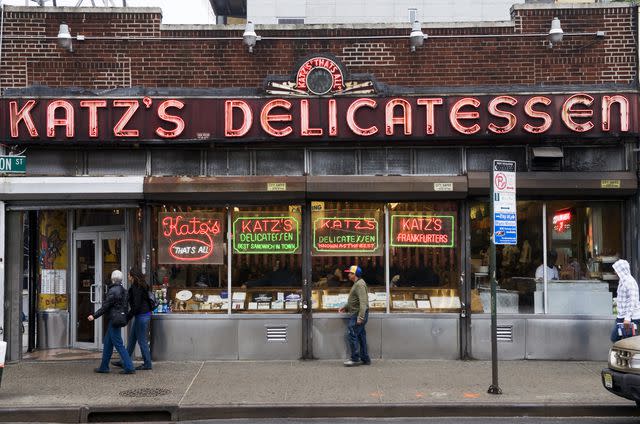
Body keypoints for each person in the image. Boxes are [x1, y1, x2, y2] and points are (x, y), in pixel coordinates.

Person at [88, 270, 135, 374]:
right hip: (119, 319)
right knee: (108, 343)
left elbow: (105, 306)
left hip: (114, 320)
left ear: (113, 279)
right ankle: (104, 367)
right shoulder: (124, 290)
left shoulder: (113, 290)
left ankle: (129, 366)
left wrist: (94, 316)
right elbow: (125, 307)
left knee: (118, 344)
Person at [112, 267, 152, 371]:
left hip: (141, 316)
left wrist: (128, 317)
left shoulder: (136, 287)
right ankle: (124, 360)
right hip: (143, 315)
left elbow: (136, 306)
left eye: (129, 275)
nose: (128, 277)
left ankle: (147, 364)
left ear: (133, 276)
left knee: (142, 340)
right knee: (132, 340)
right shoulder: (141, 285)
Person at [339, 265, 371, 367]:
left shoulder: (359, 285)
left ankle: (355, 358)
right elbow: (355, 300)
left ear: (355, 274)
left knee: (352, 334)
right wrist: (346, 307)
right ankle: (365, 358)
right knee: (361, 336)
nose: (348, 275)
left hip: (357, 314)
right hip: (357, 313)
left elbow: (363, 302)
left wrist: (360, 317)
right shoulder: (357, 283)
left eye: (350, 273)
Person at [611, 259, 640, 342]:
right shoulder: (622, 281)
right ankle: (623, 354)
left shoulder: (629, 282)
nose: (615, 272)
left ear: (621, 270)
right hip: (622, 316)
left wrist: (627, 318)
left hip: (630, 317)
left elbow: (632, 301)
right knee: (617, 338)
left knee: (626, 341)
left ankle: (626, 354)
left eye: (616, 270)